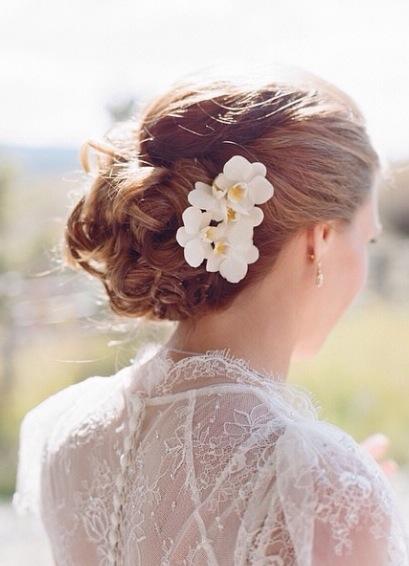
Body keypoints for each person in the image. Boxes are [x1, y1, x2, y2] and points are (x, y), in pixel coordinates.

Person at [13, 66, 409, 565]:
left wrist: (316, 501)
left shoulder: (66, 430)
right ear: (320, 240)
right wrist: (333, 498)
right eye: (367, 238)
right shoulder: (324, 482)